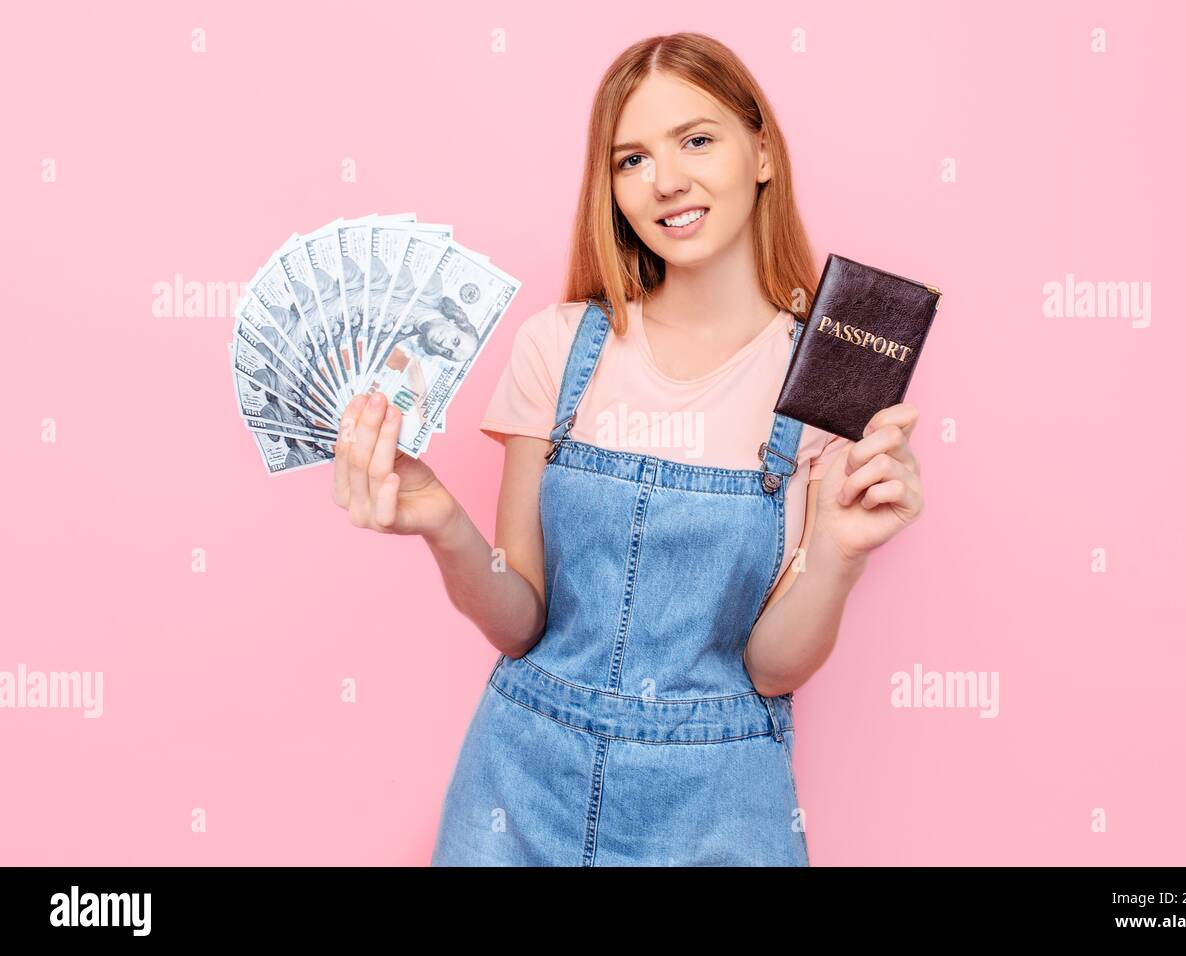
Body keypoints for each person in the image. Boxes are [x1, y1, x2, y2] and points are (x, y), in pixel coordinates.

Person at [330, 32, 927, 866]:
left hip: (719, 809)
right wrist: (443, 523)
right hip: (519, 787)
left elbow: (771, 671)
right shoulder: (560, 345)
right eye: (631, 159)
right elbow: (519, 620)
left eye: (696, 139)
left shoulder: (827, 387)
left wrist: (837, 553)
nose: (666, 182)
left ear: (761, 150)